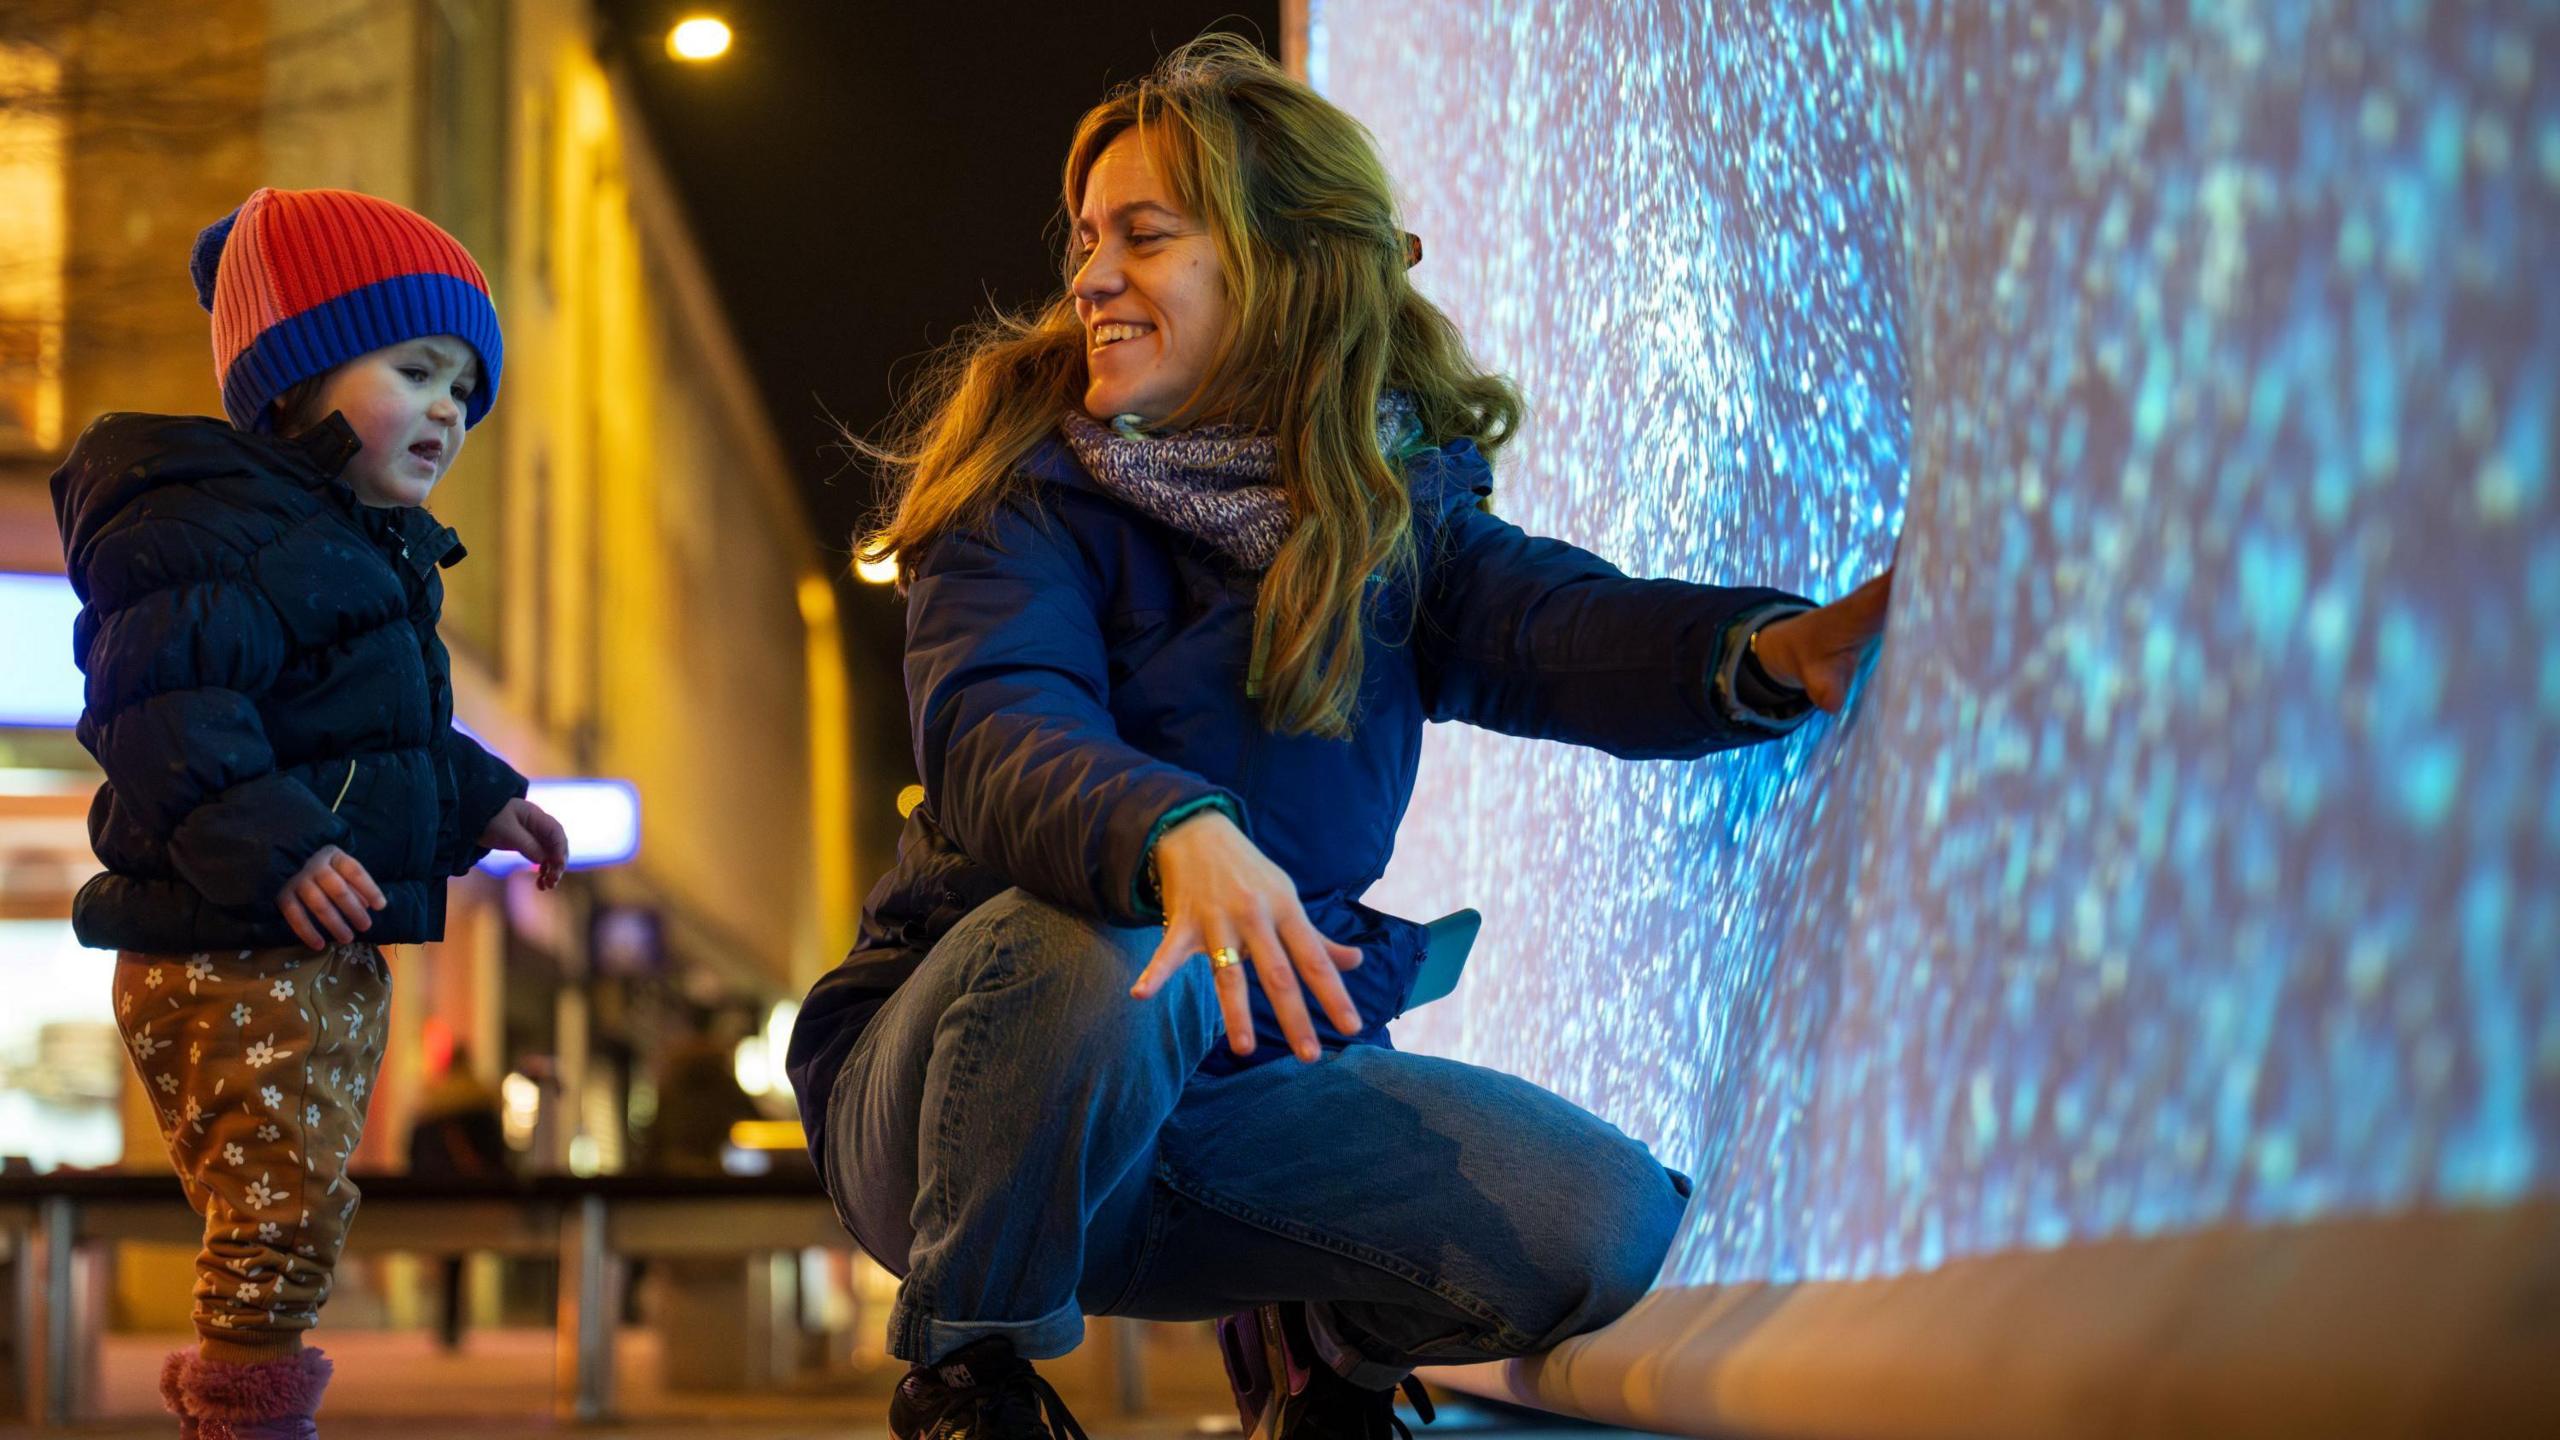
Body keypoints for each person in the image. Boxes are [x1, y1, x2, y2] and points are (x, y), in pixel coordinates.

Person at [783, 37, 1894, 1440]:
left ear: (1284, 263)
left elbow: (1550, 626)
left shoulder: (1390, 515)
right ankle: (971, 1375)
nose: (1089, 279)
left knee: (1608, 1234)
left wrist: (1757, 653)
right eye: (1084, 242)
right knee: (1111, 938)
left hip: (1233, 1110)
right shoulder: (1023, 491)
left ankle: (1327, 1344)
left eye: (1144, 236)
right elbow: (1000, 724)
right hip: (977, 1095)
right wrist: (1174, 833)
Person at [50, 186, 570, 1439]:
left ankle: (246, 1404)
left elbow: (372, 737)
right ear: (293, 375)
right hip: (228, 947)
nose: (449, 408)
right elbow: (166, 709)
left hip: (293, 943)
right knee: (278, 1215)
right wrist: (280, 846)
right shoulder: (206, 524)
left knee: (291, 1206)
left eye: (465, 389)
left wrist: (482, 797)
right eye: (417, 368)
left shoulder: (350, 546)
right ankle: (247, 1419)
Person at [405, 1043, 510, 1350]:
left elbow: (413, 1152)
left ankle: (446, 1322)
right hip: (468, 1192)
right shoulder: (480, 1102)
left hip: (435, 1192)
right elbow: (496, 1154)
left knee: (446, 1257)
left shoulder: (434, 1103)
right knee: (457, 1260)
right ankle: (453, 1323)